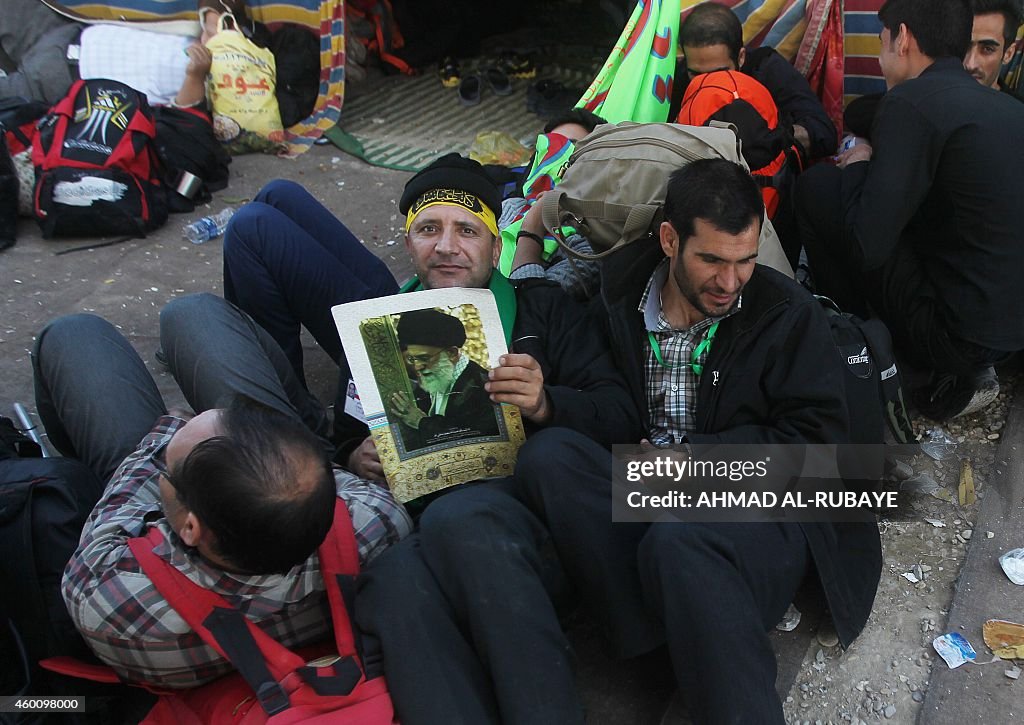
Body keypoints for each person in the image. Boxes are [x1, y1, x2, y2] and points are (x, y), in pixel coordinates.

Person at [503, 158, 881, 723]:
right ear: (669, 240)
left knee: (678, 542)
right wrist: (547, 404)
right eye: (711, 260)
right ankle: (664, 642)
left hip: (757, 509)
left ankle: (708, 666)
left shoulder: (786, 314)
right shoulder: (619, 295)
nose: (729, 283)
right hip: (647, 489)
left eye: (745, 261)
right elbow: (610, 407)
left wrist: (694, 461)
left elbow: (817, 448)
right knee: (548, 457)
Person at [36, 294, 411, 688]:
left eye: (168, 468)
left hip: (172, 605)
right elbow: (329, 477)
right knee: (193, 313)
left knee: (71, 334)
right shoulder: (380, 521)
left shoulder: (105, 598)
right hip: (312, 620)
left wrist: (168, 433)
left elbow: (117, 510)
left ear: (189, 527)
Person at [796, 0, 1024, 421]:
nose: (883, 58)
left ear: (902, 38)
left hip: (954, 338)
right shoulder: (1009, 109)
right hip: (1011, 335)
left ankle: (859, 342)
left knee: (819, 187)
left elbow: (868, 245)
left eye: (882, 42)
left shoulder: (911, 101)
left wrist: (860, 163)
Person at [670, 2, 838, 164]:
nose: (707, 83)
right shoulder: (678, 76)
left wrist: (767, 135)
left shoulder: (766, 68)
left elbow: (824, 134)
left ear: (741, 57)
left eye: (719, 73)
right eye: (697, 75)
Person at [0, 0, 243, 109]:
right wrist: (213, 19)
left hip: (61, 76)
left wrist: (195, 76)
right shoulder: (217, 32)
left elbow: (184, 123)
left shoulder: (211, 96)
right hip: (67, 30)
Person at [389, 308, 500, 446]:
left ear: (451, 353)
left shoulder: (484, 388)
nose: (417, 367)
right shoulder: (431, 381)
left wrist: (421, 422)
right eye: (412, 359)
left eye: (424, 358)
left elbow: (474, 438)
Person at [965, 0, 1022, 92]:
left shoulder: (1016, 106)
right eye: (964, 47)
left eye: (988, 49)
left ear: (1008, 54)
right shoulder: (935, 97)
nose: (970, 64)